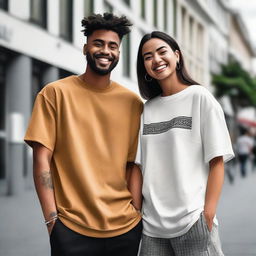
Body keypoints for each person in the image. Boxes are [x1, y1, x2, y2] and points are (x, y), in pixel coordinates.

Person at [24, 13, 143, 256]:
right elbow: (42, 159)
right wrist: (52, 221)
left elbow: (134, 165)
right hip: (71, 229)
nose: (105, 51)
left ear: (119, 53)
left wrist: (136, 214)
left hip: (125, 229)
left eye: (113, 46)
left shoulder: (132, 103)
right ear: (85, 47)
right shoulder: (55, 94)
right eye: (98, 43)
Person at [134, 31, 234, 255]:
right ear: (144, 67)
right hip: (152, 229)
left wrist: (206, 216)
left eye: (162, 52)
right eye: (148, 56)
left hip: (192, 223)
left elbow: (217, 161)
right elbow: (139, 167)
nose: (156, 60)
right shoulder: (147, 109)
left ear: (177, 56)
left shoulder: (200, 97)